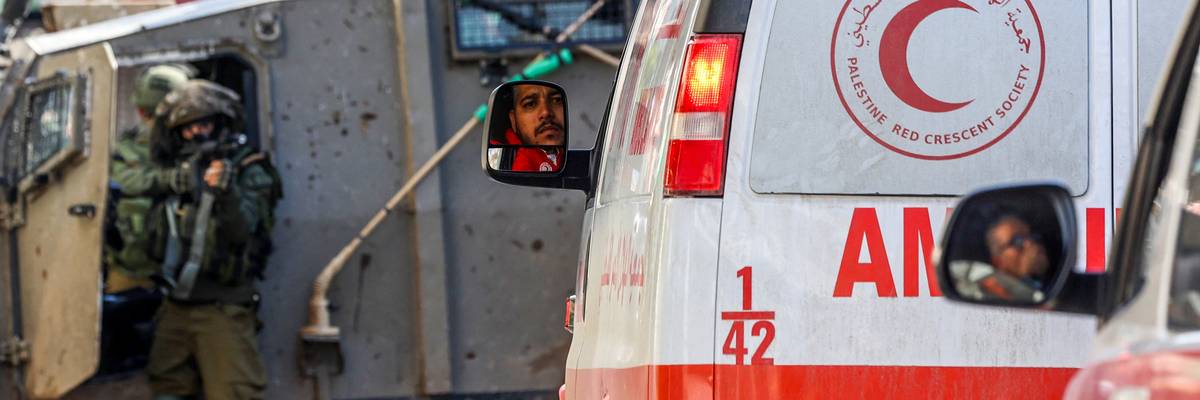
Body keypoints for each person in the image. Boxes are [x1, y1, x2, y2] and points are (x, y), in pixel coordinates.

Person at [145, 79, 282, 400]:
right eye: (188, 128)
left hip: (221, 312)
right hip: (175, 309)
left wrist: (225, 192)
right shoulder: (176, 173)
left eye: (204, 123)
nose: (197, 134)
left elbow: (244, 232)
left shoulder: (250, 170)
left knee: (232, 392)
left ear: (220, 124)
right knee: (168, 388)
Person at [99, 64, 194, 376]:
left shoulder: (125, 151)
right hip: (149, 272)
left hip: (158, 273)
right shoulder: (188, 149)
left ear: (140, 110)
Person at [951, 215, 1050, 303]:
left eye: (1031, 236)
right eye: (1017, 241)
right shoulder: (992, 290)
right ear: (998, 261)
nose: (1030, 243)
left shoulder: (1046, 283)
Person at [490, 83, 566, 172]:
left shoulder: (560, 151)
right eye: (530, 104)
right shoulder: (523, 162)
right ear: (514, 120)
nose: (546, 112)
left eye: (556, 100)